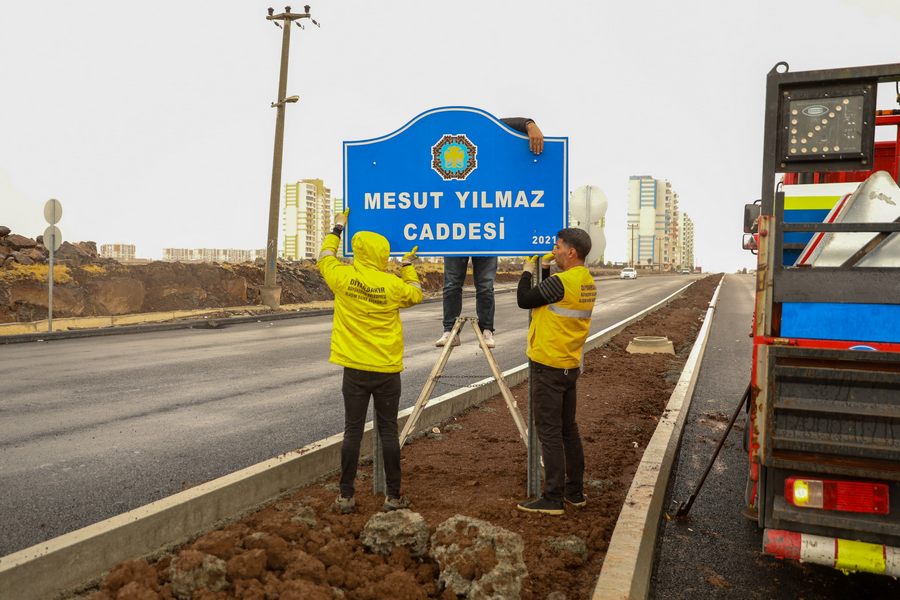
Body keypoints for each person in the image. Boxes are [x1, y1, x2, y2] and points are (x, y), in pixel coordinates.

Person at [317, 209, 424, 513]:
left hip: (355, 370)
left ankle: (346, 495)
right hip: (387, 370)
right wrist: (406, 267)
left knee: (352, 431)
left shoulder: (343, 278)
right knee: (388, 431)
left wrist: (337, 228)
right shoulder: (391, 286)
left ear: (359, 251)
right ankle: (393, 496)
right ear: (382, 254)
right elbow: (416, 294)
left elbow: (324, 257)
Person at [435, 117, 545, 349]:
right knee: (452, 284)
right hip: (454, 232)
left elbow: (506, 124)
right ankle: (449, 331)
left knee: (485, 285)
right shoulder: (445, 137)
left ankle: (487, 330)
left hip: (487, 232)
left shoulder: (486, 132)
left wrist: (530, 124)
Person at [514, 228, 597, 515]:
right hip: (568, 364)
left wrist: (527, 270)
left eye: (558, 246)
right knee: (567, 431)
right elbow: (550, 298)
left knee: (548, 432)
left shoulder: (563, 282)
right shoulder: (585, 280)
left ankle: (552, 498)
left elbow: (526, 299)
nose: (554, 248)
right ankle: (575, 492)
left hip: (548, 365)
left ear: (571, 252)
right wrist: (546, 266)